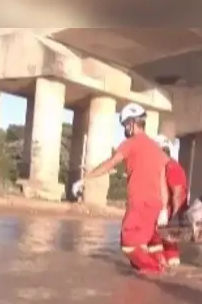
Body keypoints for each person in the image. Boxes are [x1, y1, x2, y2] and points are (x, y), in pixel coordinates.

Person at [73, 103, 169, 275]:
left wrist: (84, 179)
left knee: (129, 243)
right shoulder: (157, 149)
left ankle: (156, 271)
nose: (125, 129)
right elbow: (162, 181)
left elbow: (111, 163)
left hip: (139, 202)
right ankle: (151, 276)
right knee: (144, 245)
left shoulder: (130, 143)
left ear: (132, 124)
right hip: (155, 205)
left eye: (125, 124)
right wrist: (163, 209)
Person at [149, 134, 188, 268]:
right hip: (167, 213)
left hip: (170, 213)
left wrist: (174, 219)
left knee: (158, 242)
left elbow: (177, 194)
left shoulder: (171, 167)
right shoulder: (166, 166)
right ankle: (169, 270)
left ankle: (161, 268)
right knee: (167, 244)